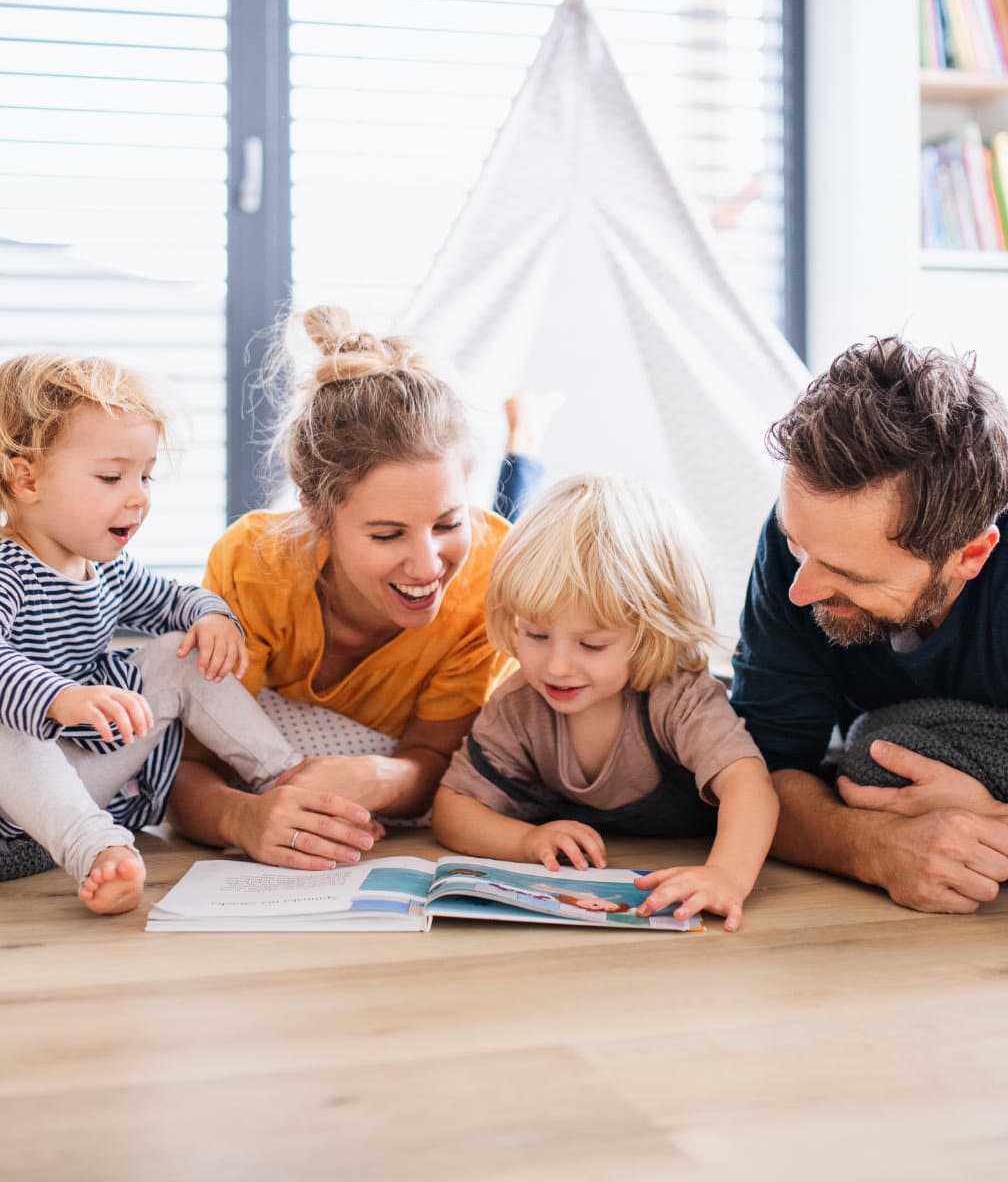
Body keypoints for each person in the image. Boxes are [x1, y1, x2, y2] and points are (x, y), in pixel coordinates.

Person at [168, 307, 538, 869]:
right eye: (387, 534)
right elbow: (188, 766)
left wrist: (380, 776)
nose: (427, 564)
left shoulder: (489, 579)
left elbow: (440, 761)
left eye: (448, 523)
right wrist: (240, 818)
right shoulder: (254, 564)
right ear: (318, 515)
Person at [0, 353, 338, 915]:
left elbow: (175, 599)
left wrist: (211, 617)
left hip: (78, 783)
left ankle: (285, 778)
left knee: (177, 652)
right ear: (26, 478)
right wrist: (59, 697)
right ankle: (97, 849)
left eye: (145, 475)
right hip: (14, 811)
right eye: (111, 477)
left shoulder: (106, 569)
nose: (137, 497)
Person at [731, 336, 1008, 914]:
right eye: (794, 542)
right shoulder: (810, 545)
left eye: (848, 574)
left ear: (971, 555)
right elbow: (757, 776)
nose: (799, 590)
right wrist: (874, 849)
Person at [431, 474, 779, 931]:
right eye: (535, 634)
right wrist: (526, 840)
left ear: (651, 635)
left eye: (591, 645)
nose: (556, 666)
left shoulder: (678, 696)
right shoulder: (519, 704)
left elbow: (751, 785)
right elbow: (452, 807)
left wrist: (725, 876)